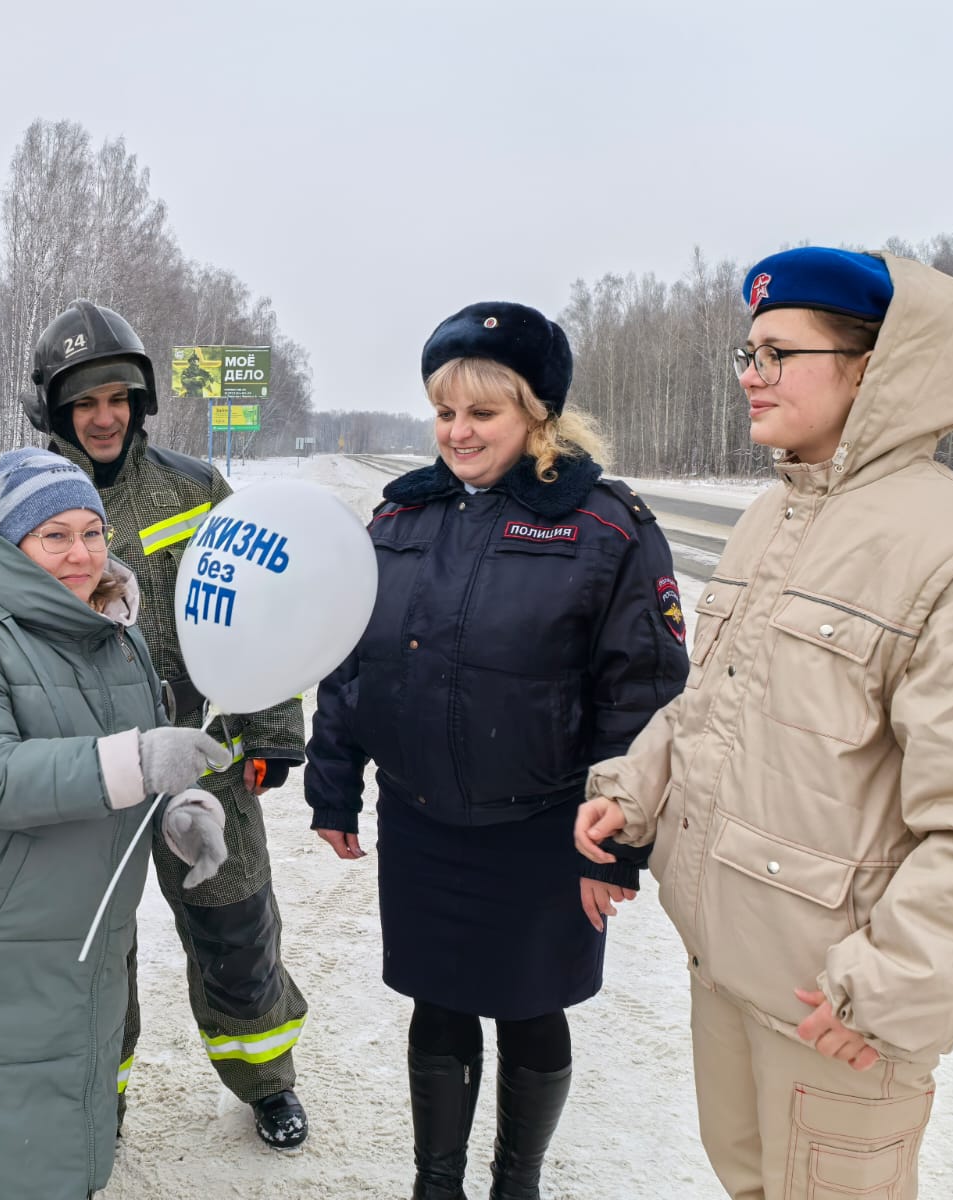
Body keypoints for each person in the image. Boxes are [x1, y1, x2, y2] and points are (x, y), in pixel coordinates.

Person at [576, 248, 953, 1199]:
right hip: (732, 967)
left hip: (839, 1005)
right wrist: (635, 789)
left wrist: (884, 992)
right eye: (746, 355)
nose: (752, 378)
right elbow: (719, 700)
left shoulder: (938, 545)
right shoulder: (769, 518)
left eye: (778, 354)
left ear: (873, 367)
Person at [306, 301, 689, 1199]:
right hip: (424, 819)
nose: (458, 431)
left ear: (536, 415)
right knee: (437, 1003)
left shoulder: (603, 527)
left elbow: (644, 699)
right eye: (445, 411)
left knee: (530, 1007)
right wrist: (333, 788)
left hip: (545, 825)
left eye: (483, 412)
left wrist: (622, 844)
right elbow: (350, 661)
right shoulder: (399, 520)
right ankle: (435, 1184)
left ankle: (517, 1182)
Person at [0, 448, 231, 1200]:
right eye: (53, 536)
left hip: (80, 957)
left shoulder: (113, 635)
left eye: (92, 533)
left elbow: (120, 771)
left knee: (63, 1155)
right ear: (10, 543)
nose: (81, 555)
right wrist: (140, 758)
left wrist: (179, 812)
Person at [28, 300, 313, 1150]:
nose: (104, 416)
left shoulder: (194, 490)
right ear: (58, 411)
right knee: (90, 952)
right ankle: (94, 1104)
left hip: (199, 757)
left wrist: (270, 731)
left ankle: (265, 1079)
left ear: (141, 401)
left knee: (234, 927)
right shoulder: (25, 504)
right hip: (88, 767)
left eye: (117, 397)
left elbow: (251, 613)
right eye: (85, 402)